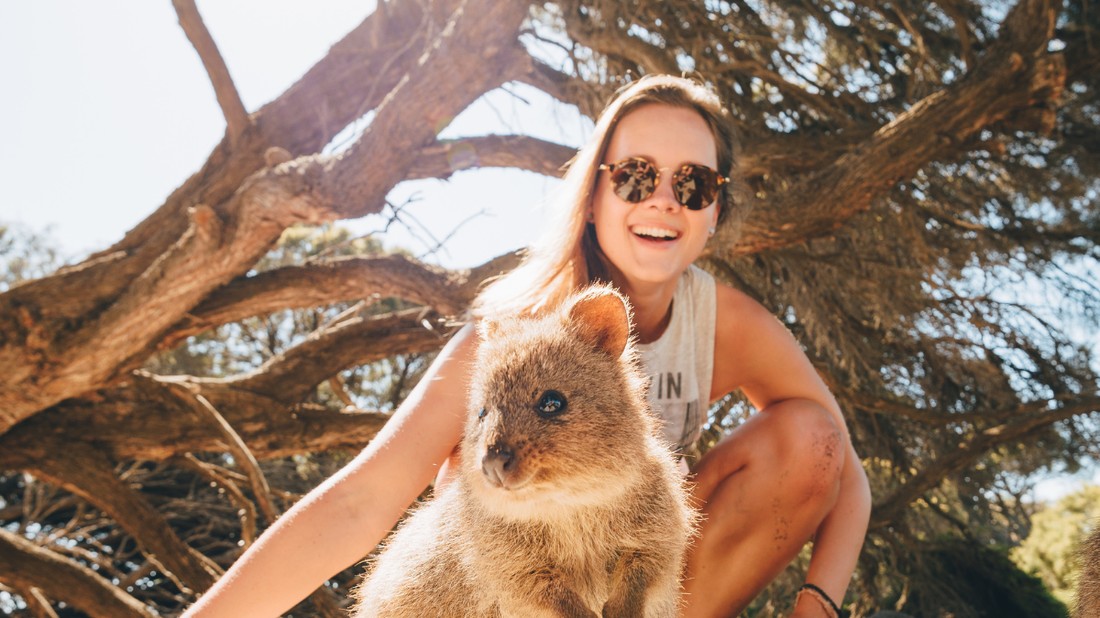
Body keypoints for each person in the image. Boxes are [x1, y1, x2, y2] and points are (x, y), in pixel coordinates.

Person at [183, 74, 871, 618]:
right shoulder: (517, 333)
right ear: (595, 192)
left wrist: (819, 604)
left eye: (691, 184)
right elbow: (363, 501)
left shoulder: (726, 322)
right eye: (635, 175)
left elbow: (842, 469)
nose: (663, 200)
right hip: (509, 585)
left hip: (636, 579)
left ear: (714, 209)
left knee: (808, 438)